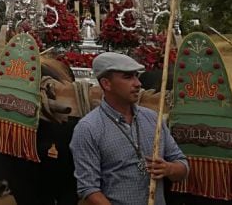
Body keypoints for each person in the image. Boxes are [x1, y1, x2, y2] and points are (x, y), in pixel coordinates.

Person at [69, 52, 188, 205]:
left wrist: (169, 169)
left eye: (137, 76)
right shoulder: (88, 128)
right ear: (106, 84)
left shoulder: (153, 119)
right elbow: (89, 189)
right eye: (128, 77)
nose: (138, 83)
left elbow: (182, 165)